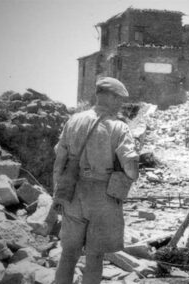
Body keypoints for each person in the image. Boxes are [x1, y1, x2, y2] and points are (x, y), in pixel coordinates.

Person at [52, 77, 139, 284]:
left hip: (72, 193)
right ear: (108, 97)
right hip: (103, 197)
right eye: (118, 98)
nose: (120, 104)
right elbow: (132, 169)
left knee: (68, 253)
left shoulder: (73, 121)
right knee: (95, 255)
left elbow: (59, 162)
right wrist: (128, 176)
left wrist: (60, 192)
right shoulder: (119, 127)